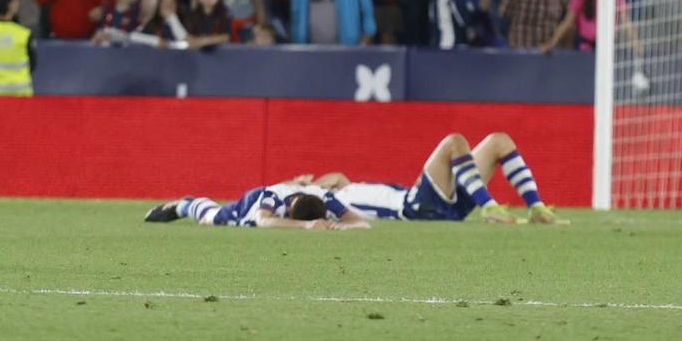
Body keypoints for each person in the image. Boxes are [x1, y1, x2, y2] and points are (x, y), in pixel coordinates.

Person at [145, 130, 555, 226]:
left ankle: (536, 207)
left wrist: (320, 182)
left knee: (499, 141)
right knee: (454, 143)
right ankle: (489, 207)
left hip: (439, 200)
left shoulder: (336, 187)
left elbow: (338, 175)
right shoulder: (323, 200)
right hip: (416, 206)